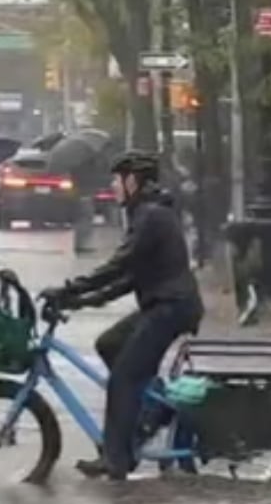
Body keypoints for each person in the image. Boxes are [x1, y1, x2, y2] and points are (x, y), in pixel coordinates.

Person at [39, 150, 203, 481]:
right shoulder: (146, 214)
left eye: (117, 180)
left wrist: (70, 289)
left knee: (123, 379)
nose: (113, 187)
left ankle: (116, 459)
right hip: (162, 304)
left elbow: (119, 265)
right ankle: (151, 409)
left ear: (133, 181)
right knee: (109, 343)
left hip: (171, 308)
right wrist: (82, 300)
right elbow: (129, 278)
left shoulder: (151, 217)